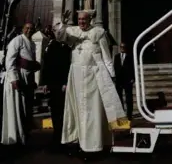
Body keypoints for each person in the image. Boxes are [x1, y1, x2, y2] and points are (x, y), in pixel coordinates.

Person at [56, 10, 126, 158]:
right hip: (75, 78)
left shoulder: (99, 33)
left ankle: (93, 146)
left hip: (93, 79)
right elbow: (60, 37)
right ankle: (78, 143)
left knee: (92, 113)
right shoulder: (73, 31)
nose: (81, 22)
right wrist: (62, 23)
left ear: (90, 20)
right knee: (76, 111)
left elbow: (107, 57)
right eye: (79, 19)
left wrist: (112, 76)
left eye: (84, 19)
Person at [1, 23, 40, 148]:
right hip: (18, 77)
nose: (29, 30)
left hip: (27, 79)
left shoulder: (32, 44)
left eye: (31, 28)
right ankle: (14, 138)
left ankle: (24, 135)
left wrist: (33, 79)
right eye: (27, 28)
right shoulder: (17, 40)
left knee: (25, 109)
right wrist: (13, 78)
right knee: (16, 108)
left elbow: (30, 63)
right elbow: (10, 60)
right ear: (23, 29)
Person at [40, 25, 71, 150]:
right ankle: (56, 137)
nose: (58, 35)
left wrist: (66, 82)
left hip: (63, 84)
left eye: (60, 33)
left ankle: (62, 136)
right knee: (54, 111)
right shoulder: (51, 46)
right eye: (57, 33)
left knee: (63, 111)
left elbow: (68, 66)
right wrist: (45, 83)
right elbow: (46, 66)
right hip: (52, 84)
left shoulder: (67, 48)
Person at [113, 42, 135, 120]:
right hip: (119, 79)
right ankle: (121, 114)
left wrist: (133, 78)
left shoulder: (130, 57)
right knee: (119, 98)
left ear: (126, 48)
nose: (122, 48)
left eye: (123, 47)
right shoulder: (116, 57)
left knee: (129, 98)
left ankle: (129, 114)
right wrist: (114, 77)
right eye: (121, 47)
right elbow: (115, 67)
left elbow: (133, 67)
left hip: (128, 79)